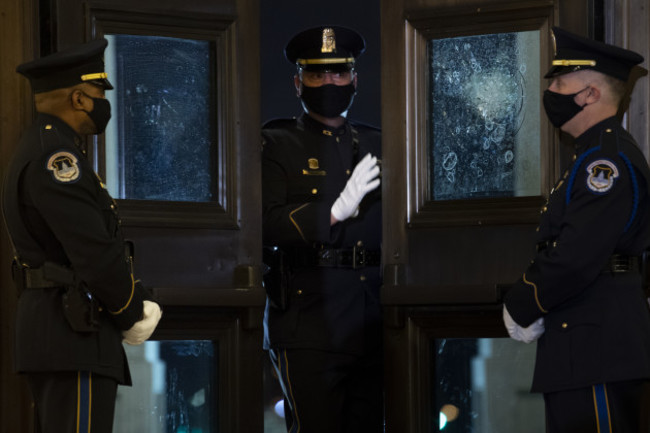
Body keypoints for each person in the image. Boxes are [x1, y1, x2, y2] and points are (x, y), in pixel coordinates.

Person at [2, 39, 162, 433]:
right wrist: (131, 311)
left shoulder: (46, 148)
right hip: (73, 331)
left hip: (62, 329)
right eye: (96, 95)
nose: (101, 104)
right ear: (78, 98)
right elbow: (92, 250)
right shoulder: (57, 160)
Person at [503, 27, 650, 433]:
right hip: (583, 346)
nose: (551, 89)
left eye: (561, 81)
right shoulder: (589, 156)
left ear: (589, 94)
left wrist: (523, 300)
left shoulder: (605, 163)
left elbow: (576, 255)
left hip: (596, 348)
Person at [261, 25, 383, 433]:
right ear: (298, 83)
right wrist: (331, 213)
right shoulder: (276, 143)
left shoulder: (380, 144)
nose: (329, 82)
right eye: (316, 75)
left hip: (373, 314)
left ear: (354, 80)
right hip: (309, 316)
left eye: (338, 74)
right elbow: (265, 224)